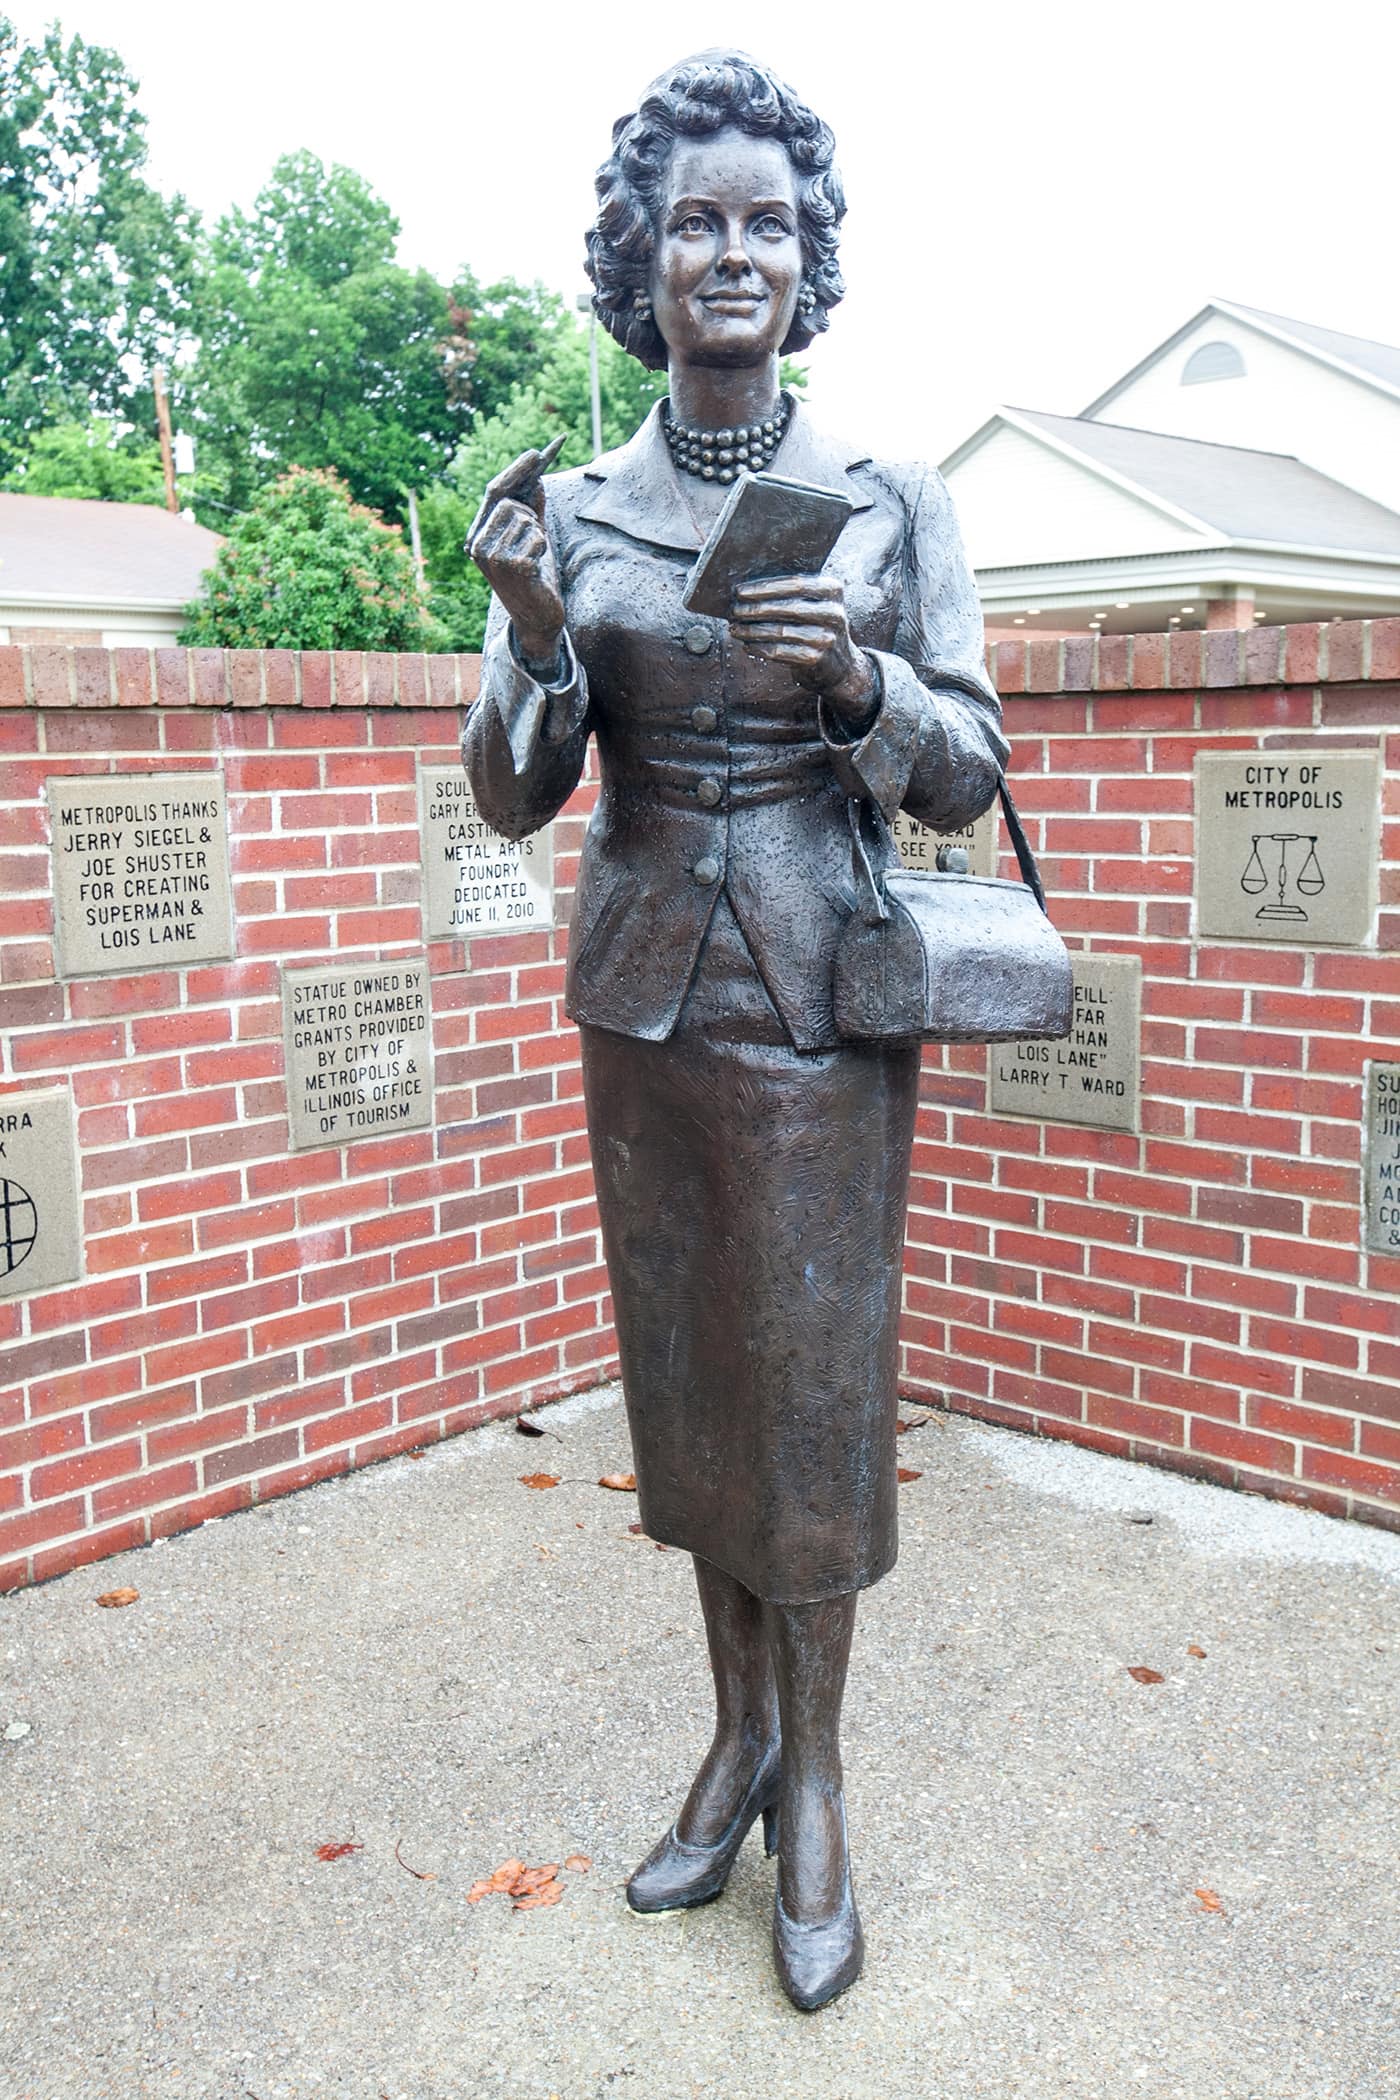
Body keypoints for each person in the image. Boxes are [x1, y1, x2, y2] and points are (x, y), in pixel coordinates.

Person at [463, 50, 1007, 2012]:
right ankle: (734, 1747)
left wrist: (860, 684)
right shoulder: (576, 508)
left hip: (818, 1008)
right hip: (645, 1005)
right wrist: (530, 642)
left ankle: (823, 1787)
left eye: (764, 220)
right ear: (639, 253)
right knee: (693, 1404)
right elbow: (517, 798)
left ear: (807, 259)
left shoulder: (890, 496)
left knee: (813, 1412)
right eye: (694, 217)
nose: (730, 249)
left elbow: (968, 768)